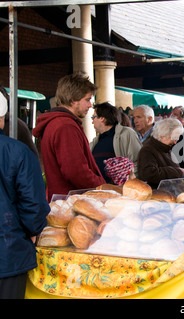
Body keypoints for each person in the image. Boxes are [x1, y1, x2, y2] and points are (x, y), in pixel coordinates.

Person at [0, 88, 50, 299]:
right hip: (8, 253)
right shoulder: (18, 152)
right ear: (2, 116)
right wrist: (33, 230)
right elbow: (34, 205)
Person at [32, 73, 105, 201]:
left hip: (63, 201)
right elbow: (76, 172)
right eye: (87, 100)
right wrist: (102, 187)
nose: (90, 105)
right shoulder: (65, 126)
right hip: (72, 203)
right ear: (72, 100)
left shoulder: (57, 123)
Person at [90, 102, 142, 184]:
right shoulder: (96, 140)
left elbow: (138, 162)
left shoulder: (126, 134)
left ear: (102, 118)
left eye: (93, 117)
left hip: (120, 192)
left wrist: (127, 185)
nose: (92, 122)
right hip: (100, 191)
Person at [137, 118, 184, 189]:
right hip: (156, 197)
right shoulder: (147, 150)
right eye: (174, 137)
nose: (175, 142)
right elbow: (148, 174)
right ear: (163, 135)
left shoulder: (166, 148)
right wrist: (177, 171)